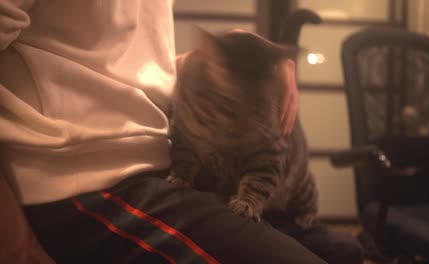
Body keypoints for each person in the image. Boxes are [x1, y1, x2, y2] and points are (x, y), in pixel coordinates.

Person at [0, 1, 363, 263]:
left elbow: (116, 70)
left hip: (165, 162)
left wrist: (225, 56)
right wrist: (18, 248)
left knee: (346, 251)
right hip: (83, 177)